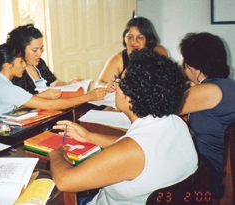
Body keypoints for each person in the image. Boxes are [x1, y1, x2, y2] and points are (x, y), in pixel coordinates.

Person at [49, 49, 198, 205]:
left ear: (130, 96)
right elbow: (135, 147)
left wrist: (56, 155)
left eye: (119, 81)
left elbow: (65, 181)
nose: (115, 86)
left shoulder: (131, 151)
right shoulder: (175, 123)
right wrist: (88, 136)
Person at [0, 43, 107, 122]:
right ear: (7, 65)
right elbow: (51, 105)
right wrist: (89, 97)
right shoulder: (5, 87)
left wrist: (43, 96)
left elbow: (17, 104)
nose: (24, 65)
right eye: (20, 62)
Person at [177, 32, 235, 202]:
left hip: (210, 172)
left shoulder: (207, 90)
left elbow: (163, 110)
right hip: (220, 162)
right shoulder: (224, 82)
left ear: (191, 65)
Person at [7, 24, 81, 96]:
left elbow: (55, 84)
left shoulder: (40, 63)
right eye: (35, 50)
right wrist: (43, 96)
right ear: (20, 50)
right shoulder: (15, 72)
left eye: (41, 48)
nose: (40, 54)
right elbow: (19, 103)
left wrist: (69, 84)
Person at [95, 17, 168, 88]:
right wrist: (110, 85)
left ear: (148, 39)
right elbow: (99, 84)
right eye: (130, 37)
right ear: (124, 38)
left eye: (139, 37)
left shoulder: (158, 51)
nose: (133, 41)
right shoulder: (119, 57)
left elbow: (164, 79)